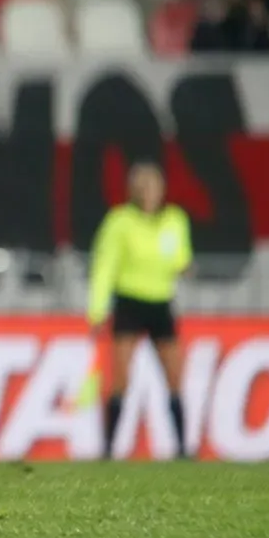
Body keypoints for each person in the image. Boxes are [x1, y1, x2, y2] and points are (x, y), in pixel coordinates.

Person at [87, 162, 193, 460]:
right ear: (132, 191)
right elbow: (104, 267)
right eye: (142, 187)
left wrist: (184, 265)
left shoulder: (174, 219)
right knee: (121, 378)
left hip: (161, 302)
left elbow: (180, 254)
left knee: (174, 376)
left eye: (153, 186)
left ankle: (183, 449)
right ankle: (108, 448)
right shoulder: (119, 221)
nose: (148, 192)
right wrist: (97, 310)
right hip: (129, 301)